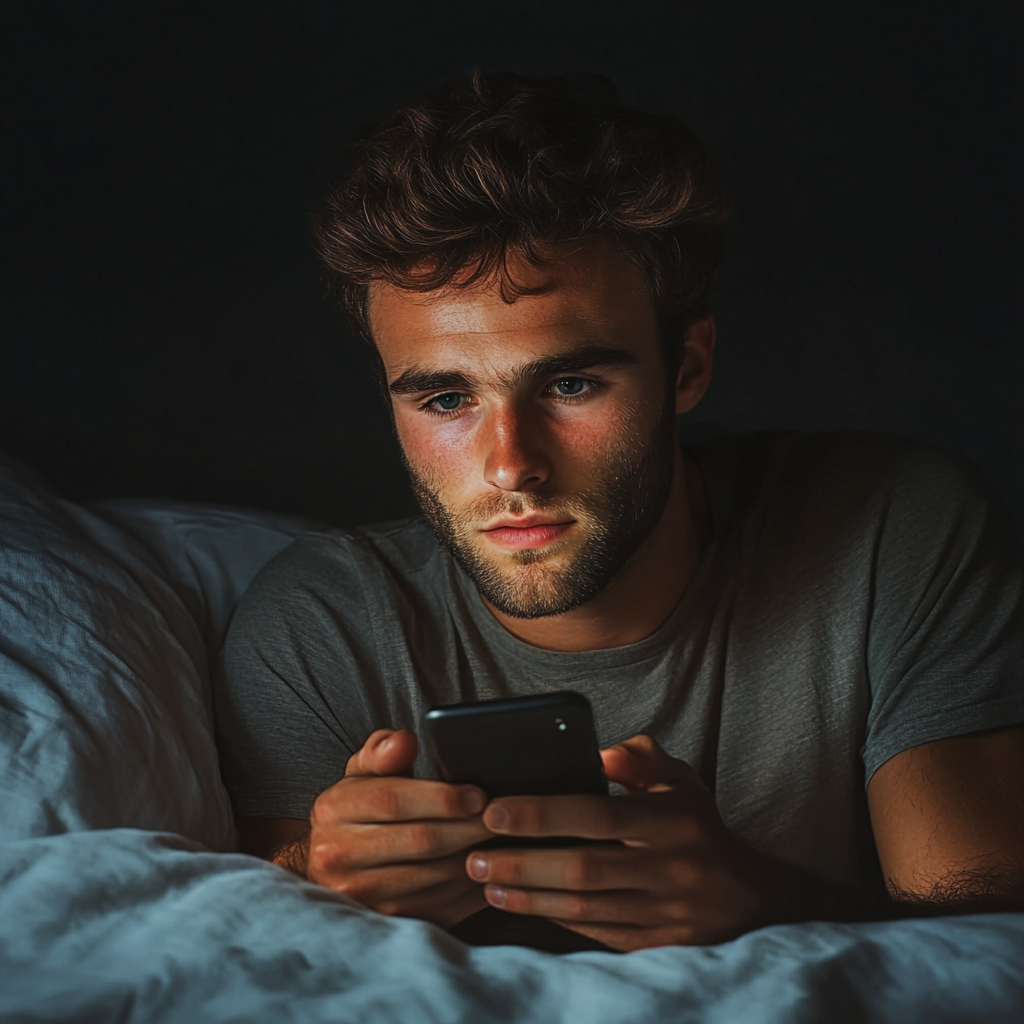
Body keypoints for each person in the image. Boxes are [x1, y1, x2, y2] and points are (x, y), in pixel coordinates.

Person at [215, 71, 1024, 953]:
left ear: (687, 367)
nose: (510, 463)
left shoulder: (892, 531)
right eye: (445, 400)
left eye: (570, 383)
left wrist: (756, 904)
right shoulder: (318, 625)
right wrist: (313, 887)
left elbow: (988, 948)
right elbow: (250, 968)